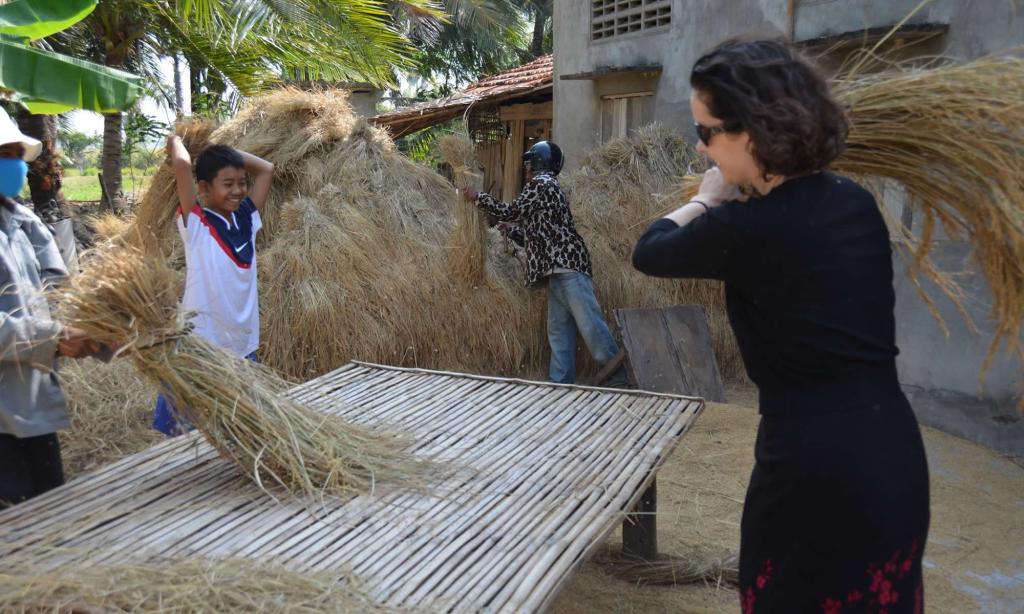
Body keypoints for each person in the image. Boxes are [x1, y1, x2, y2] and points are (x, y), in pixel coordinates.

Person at [632, 39, 930, 613]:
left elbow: (651, 250)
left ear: (751, 132)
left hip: (813, 467)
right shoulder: (854, 202)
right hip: (890, 451)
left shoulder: (748, 230)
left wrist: (703, 199)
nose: (701, 146)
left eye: (708, 132)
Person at [0, 109, 106, 508]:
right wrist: (54, 339)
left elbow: (59, 288)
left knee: (47, 510)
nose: (12, 166)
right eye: (2, 155)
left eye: (14, 156)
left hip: (30, 399)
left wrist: (104, 329)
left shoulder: (22, 220)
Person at [463, 141, 627, 386]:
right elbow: (540, 236)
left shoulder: (542, 184)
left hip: (568, 269)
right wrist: (514, 231)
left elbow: (509, 211)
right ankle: (559, 384)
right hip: (556, 272)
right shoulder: (546, 188)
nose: (526, 168)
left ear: (538, 163)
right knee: (559, 333)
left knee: (590, 326)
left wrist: (479, 198)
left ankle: (619, 378)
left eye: (529, 163)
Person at [155, 137, 274, 435]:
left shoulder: (246, 218)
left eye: (241, 183)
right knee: (183, 432)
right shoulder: (196, 223)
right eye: (227, 184)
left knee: (236, 425)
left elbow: (266, 170)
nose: (237, 191)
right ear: (205, 188)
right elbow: (182, 165)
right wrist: (176, 141)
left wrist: (221, 149)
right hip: (200, 343)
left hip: (242, 342)